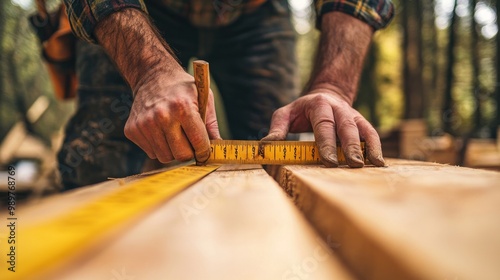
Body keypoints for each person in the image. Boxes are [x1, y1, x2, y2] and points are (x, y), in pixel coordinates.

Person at [58, 0, 394, 189]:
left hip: (257, 13)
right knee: (97, 166)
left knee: (277, 165)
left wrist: (332, 86)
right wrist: (149, 71)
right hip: (135, 9)